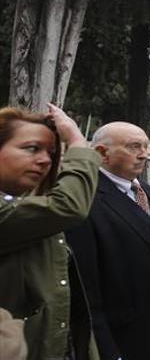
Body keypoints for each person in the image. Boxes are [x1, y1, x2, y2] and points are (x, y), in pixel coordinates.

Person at [66, 122, 150, 360]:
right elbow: (86, 287)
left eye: (145, 146)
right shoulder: (86, 202)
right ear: (101, 153)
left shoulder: (146, 192)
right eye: (133, 147)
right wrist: (107, 350)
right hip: (122, 334)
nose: (144, 154)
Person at [0, 104, 100, 360]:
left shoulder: (24, 205)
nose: (45, 160)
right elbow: (68, 206)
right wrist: (77, 141)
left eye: (52, 152)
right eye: (31, 148)